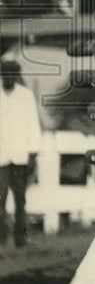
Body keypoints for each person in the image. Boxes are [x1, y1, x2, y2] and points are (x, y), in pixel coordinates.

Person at [0, 60, 42, 247]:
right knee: (0, 197)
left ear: (17, 76)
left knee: (20, 198)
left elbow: (33, 124)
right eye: (4, 74)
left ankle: (20, 237)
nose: (7, 78)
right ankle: (1, 237)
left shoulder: (25, 96)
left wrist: (33, 154)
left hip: (20, 155)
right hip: (1, 156)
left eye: (11, 74)